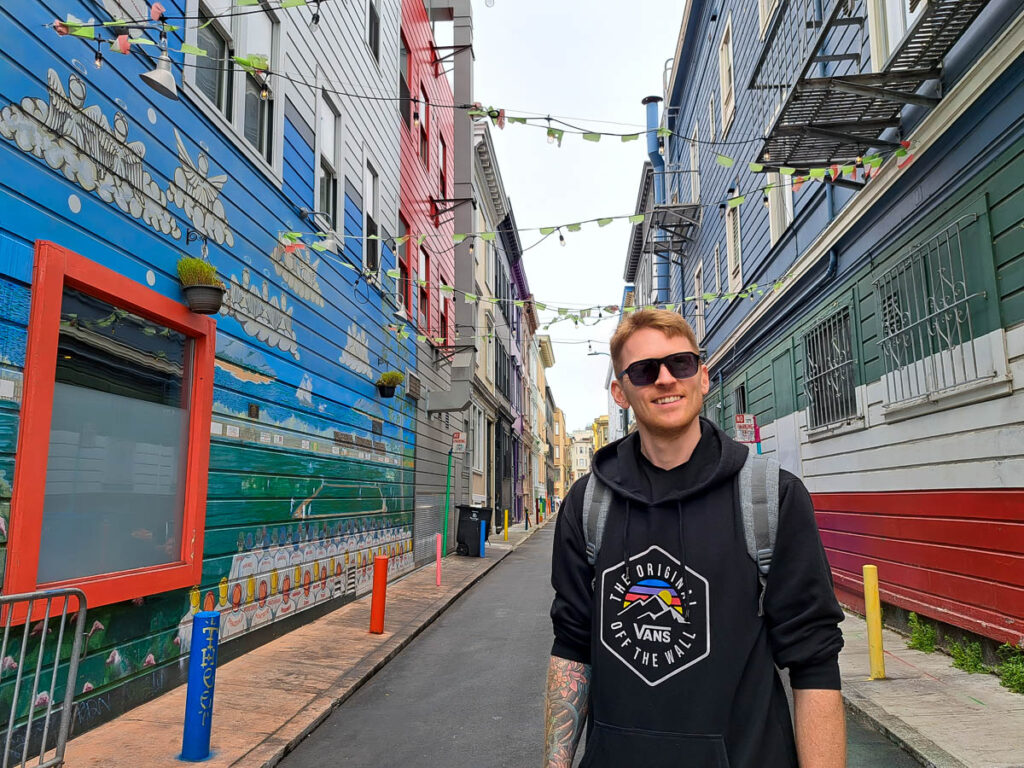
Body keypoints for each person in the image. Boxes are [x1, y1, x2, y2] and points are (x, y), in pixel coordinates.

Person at [543, 309, 845, 768]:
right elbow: (571, 645)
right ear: (620, 393)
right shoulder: (589, 504)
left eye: (680, 363)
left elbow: (815, 661)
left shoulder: (770, 497)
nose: (665, 379)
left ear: (703, 377)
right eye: (644, 370)